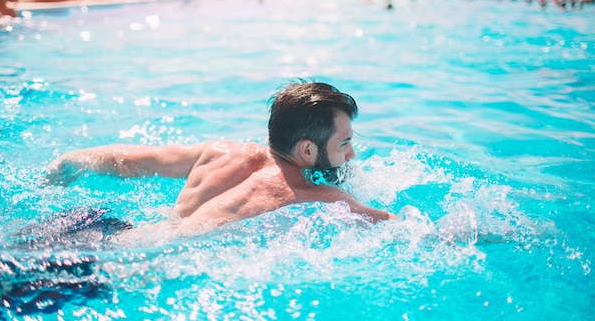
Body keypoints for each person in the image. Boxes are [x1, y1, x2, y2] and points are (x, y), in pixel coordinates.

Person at [45, 81, 397, 235]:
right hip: (124, 265)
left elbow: (129, 159)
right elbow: (407, 230)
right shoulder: (322, 196)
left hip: (100, 225)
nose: (351, 154)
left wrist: (67, 161)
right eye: (344, 143)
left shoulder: (222, 152)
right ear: (307, 150)